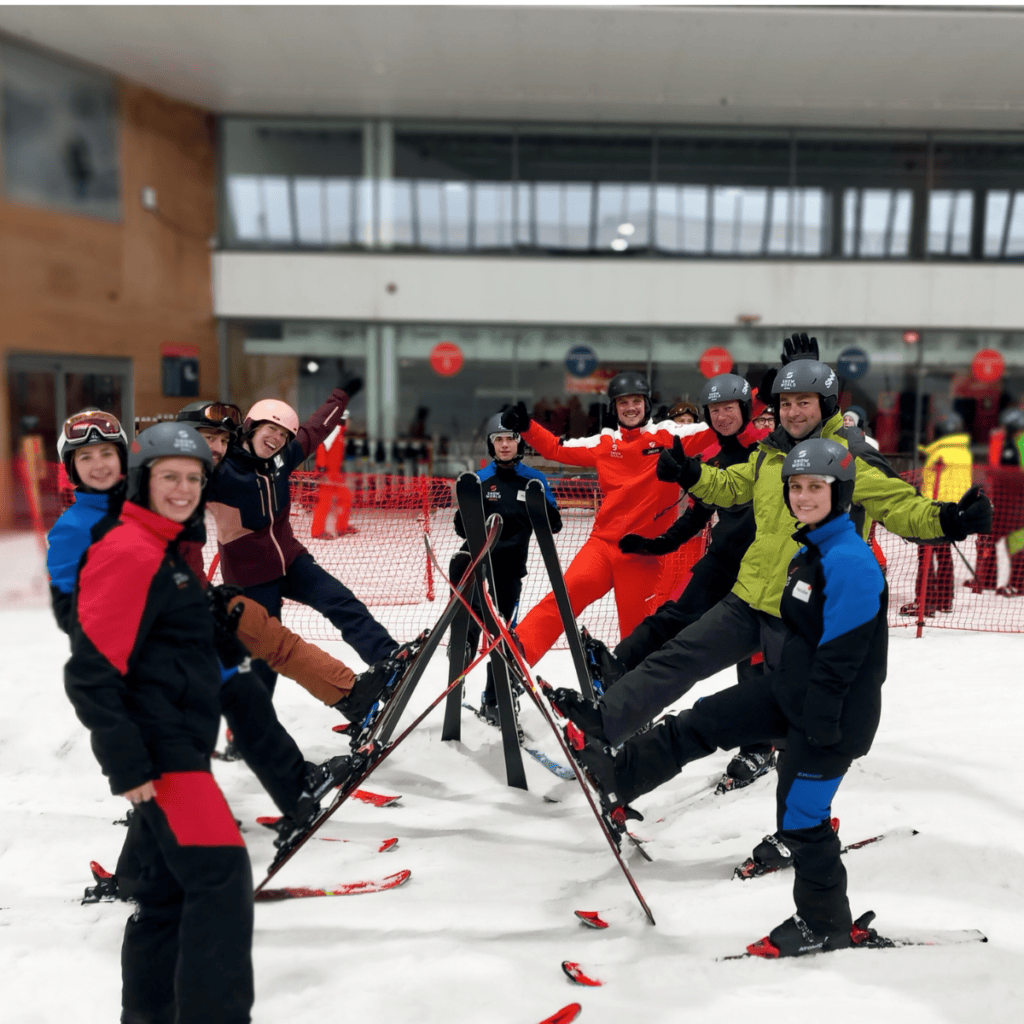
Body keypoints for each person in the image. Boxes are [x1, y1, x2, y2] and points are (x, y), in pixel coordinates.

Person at [552, 337, 991, 753]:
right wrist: (690, 472)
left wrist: (949, 519)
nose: (794, 412)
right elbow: (729, 486)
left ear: (827, 404)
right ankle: (605, 723)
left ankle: (794, 782)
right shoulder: (769, 453)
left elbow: (899, 505)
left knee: (788, 707)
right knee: (678, 658)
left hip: (798, 608)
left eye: (804, 402)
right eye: (786, 403)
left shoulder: (845, 454)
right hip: (748, 596)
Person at [570, 439, 888, 958]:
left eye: (816, 487)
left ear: (842, 492)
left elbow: (844, 663)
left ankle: (823, 922)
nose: (804, 497)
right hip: (793, 693)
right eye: (797, 487)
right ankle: (621, 774)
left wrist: (819, 733)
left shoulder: (849, 563)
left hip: (829, 718)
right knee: (704, 720)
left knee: (802, 819)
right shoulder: (812, 548)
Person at [64, 422, 255, 1023]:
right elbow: (91, 674)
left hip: (181, 746)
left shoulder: (165, 546)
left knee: (167, 898)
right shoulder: (126, 549)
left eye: (194, 477)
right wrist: (129, 765)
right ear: (142, 479)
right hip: (161, 755)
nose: (183, 488)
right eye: (168, 476)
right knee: (218, 888)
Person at [613, 373, 775, 787]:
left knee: (754, 658)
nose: (721, 417)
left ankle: (759, 747)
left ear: (745, 410)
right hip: (722, 560)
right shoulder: (715, 460)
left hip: (760, 568)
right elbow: (697, 515)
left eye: (729, 408)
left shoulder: (766, 453)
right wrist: (657, 544)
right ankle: (615, 669)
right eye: (714, 410)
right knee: (675, 618)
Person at [500, 371, 710, 666]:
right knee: (564, 595)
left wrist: (759, 400)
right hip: (602, 546)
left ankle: (633, 689)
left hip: (642, 553)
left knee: (638, 633)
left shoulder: (669, 435)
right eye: (623, 402)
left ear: (646, 404)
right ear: (615, 408)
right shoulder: (605, 443)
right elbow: (557, 448)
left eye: (636, 401)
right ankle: (518, 654)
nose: (630, 408)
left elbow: (720, 427)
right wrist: (526, 426)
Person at [205, 384, 401, 697]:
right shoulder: (220, 472)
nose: (277, 439)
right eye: (271, 429)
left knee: (342, 601)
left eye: (283, 435)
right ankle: (248, 735)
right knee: (262, 659)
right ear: (251, 427)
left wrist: (340, 396)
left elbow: (315, 428)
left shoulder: (282, 459)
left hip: (292, 561)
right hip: (250, 579)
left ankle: (389, 658)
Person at [175, 400, 361, 711]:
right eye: (208, 438)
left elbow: (311, 433)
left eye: (223, 440)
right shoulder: (171, 487)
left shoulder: (208, 476)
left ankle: (352, 697)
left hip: (212, 597)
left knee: (275, 647)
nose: (218, 448)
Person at [450, 413, 562, 723]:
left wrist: (539, 506)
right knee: (468, 615)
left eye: (510, 438)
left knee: (502, 634)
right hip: (476, 563)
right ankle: (459, 663)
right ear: (491, 444)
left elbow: (554, 524)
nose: (504, 444)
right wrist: (467, 500)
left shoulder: (534, 481)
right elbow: (462, 527)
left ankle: (494, 698)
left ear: (520, 442)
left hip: (510, 569)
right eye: (498, 439)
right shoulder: (480, 480)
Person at [900, 412, 974, 617]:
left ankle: (925, 601)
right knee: (944, 555)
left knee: (926, 556)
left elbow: (934, 468)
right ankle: (944, 599)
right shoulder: (962, 452)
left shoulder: (941, 455)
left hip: (933, 511)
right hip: (954, 511)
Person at [310, 411, 356, 539]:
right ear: (343, 419)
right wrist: (321, 468)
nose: (350, 422)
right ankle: (317, 531)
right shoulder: (334, 431)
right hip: (327, 474)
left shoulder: (340, 432)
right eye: (348, 419)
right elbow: (321, 447)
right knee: (324, 502)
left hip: (335, 474)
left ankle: (342, 527)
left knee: (345, 498)